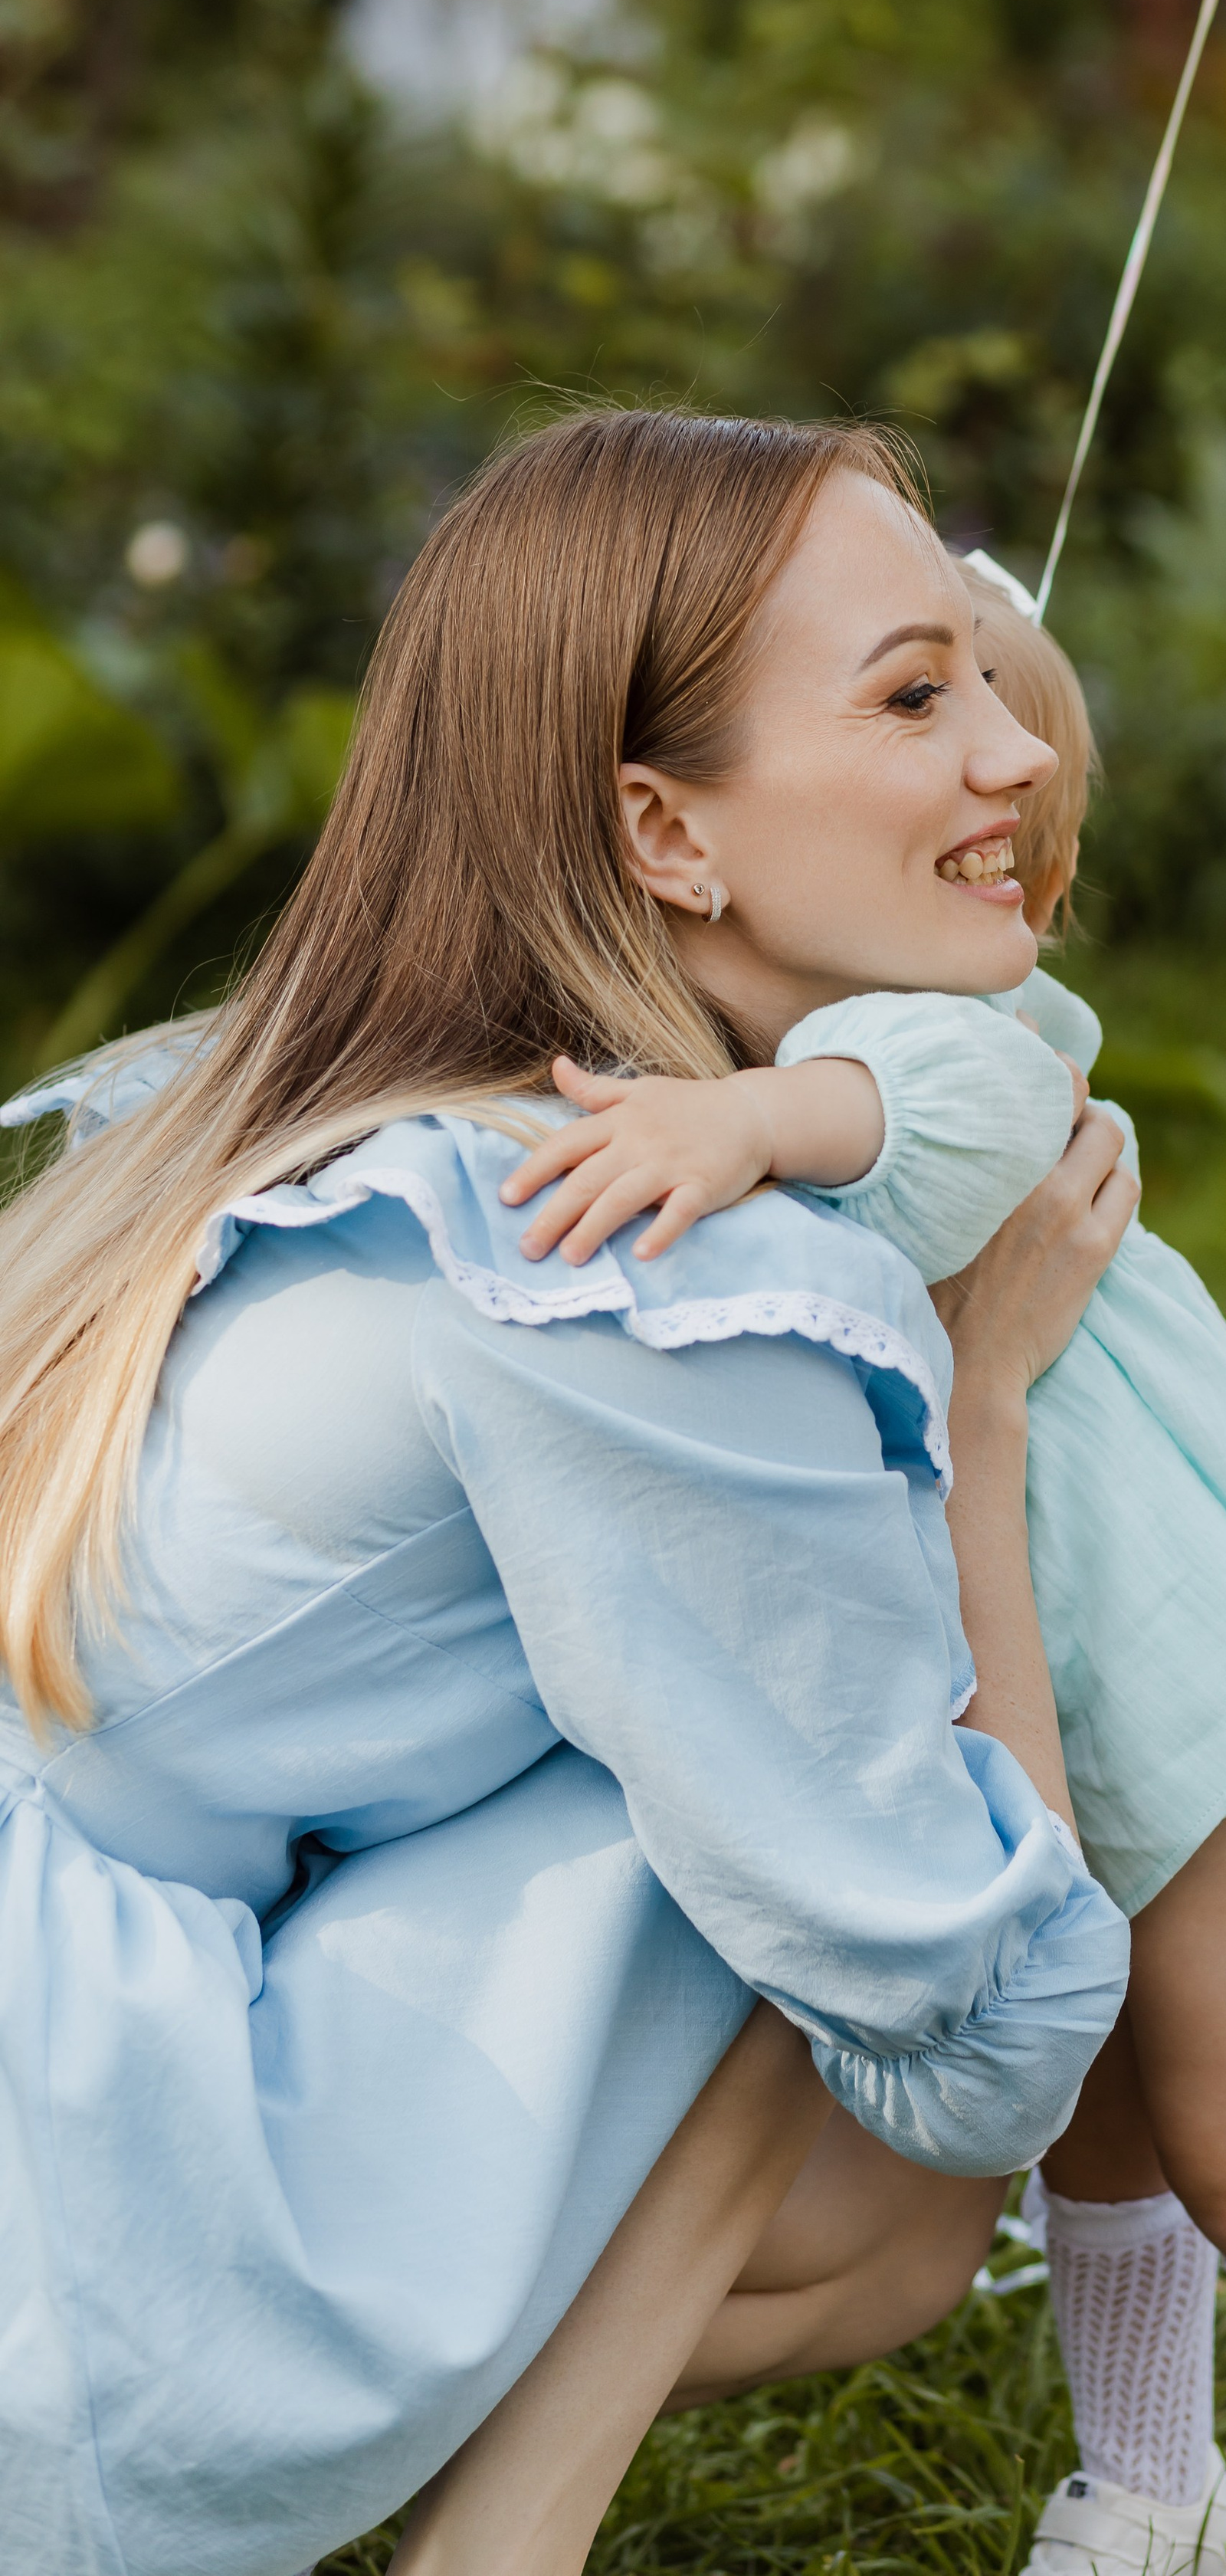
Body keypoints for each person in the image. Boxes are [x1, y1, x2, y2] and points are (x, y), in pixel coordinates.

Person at [0, 409, 1139, 2576]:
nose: (1018, 758)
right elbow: (981, 2036)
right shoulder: (629, 1272)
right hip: (68, 2282)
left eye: (988, 676)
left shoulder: (297, 1126)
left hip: (66, 2105)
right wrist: (979, 1420)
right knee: (790, 1857)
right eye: (917, 695)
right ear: (661, 833)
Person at [496, 551, 1226, 2576]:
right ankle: (1149, 2502)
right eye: (921, 725)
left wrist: (747, 1123)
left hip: (1216, 1703)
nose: (995, 818)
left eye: (1019, 798)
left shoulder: (973, 1044)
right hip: (1078, 1715)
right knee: (1100, 2143)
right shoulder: (861, 1028)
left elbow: (919, 1132)